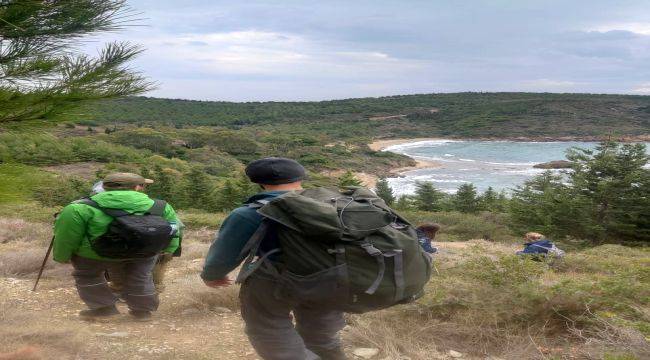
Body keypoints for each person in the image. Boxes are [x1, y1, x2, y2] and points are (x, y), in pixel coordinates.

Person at [201, 157, 346, 360]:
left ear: (259, 182)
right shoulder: (333, 205)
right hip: (331, 277)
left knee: (269, 329)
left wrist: (212, 275)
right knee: (321, 332)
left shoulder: (249, 213)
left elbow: (224, 254)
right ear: (301, 177)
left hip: (277, 280)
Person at [53, 173, 181, 321]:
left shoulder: (78, 207)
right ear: (137, 188)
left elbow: (67, 236)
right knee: (141, 277)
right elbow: (173, 230)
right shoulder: (161, 206)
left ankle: (104, 309)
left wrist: (61, 256)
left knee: (87, 275)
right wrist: (169, 250)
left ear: (105, 186)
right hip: (145, 251)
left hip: (96, 253)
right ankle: (142, 312)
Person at [91, 180, 184, 293]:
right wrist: (171, 248)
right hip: (158, 245)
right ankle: (149, 296)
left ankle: (126, 293)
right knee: (152, 275)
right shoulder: (155, 204)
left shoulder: (101, 206)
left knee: (130, 273)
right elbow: (176, 228)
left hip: (127, 247)